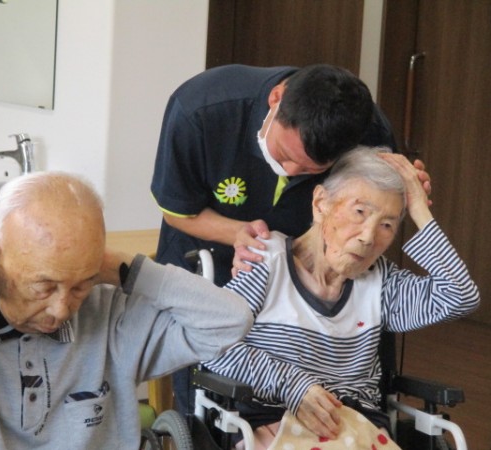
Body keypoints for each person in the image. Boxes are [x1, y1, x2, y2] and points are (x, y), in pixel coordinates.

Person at [0, 172, 253, 450]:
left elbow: (229, 320)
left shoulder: (112, 315)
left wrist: (128, 269)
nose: (62, 309)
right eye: (44, 286)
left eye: (81, 284)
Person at [150, 63, 430, 415]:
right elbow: (177, 211)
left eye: (312, 170)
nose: (291, 171)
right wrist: (238, 233)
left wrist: (409, 194)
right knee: (207, 387)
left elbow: (380, 197)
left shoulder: (368, 132)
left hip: (304, 270)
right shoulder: (202, 110)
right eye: (284, 155)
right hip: (211, 255)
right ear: (276, 98)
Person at [202, 147, 480, 448]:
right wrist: (292, 385)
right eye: (359, 212)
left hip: (359, 428)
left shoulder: (381, 283)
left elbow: (460, 295)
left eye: (387, 225)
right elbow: (209, 341)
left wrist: (419, 210)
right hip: (273, 418)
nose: (368, 237)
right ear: (321, 203)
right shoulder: (265, 262)